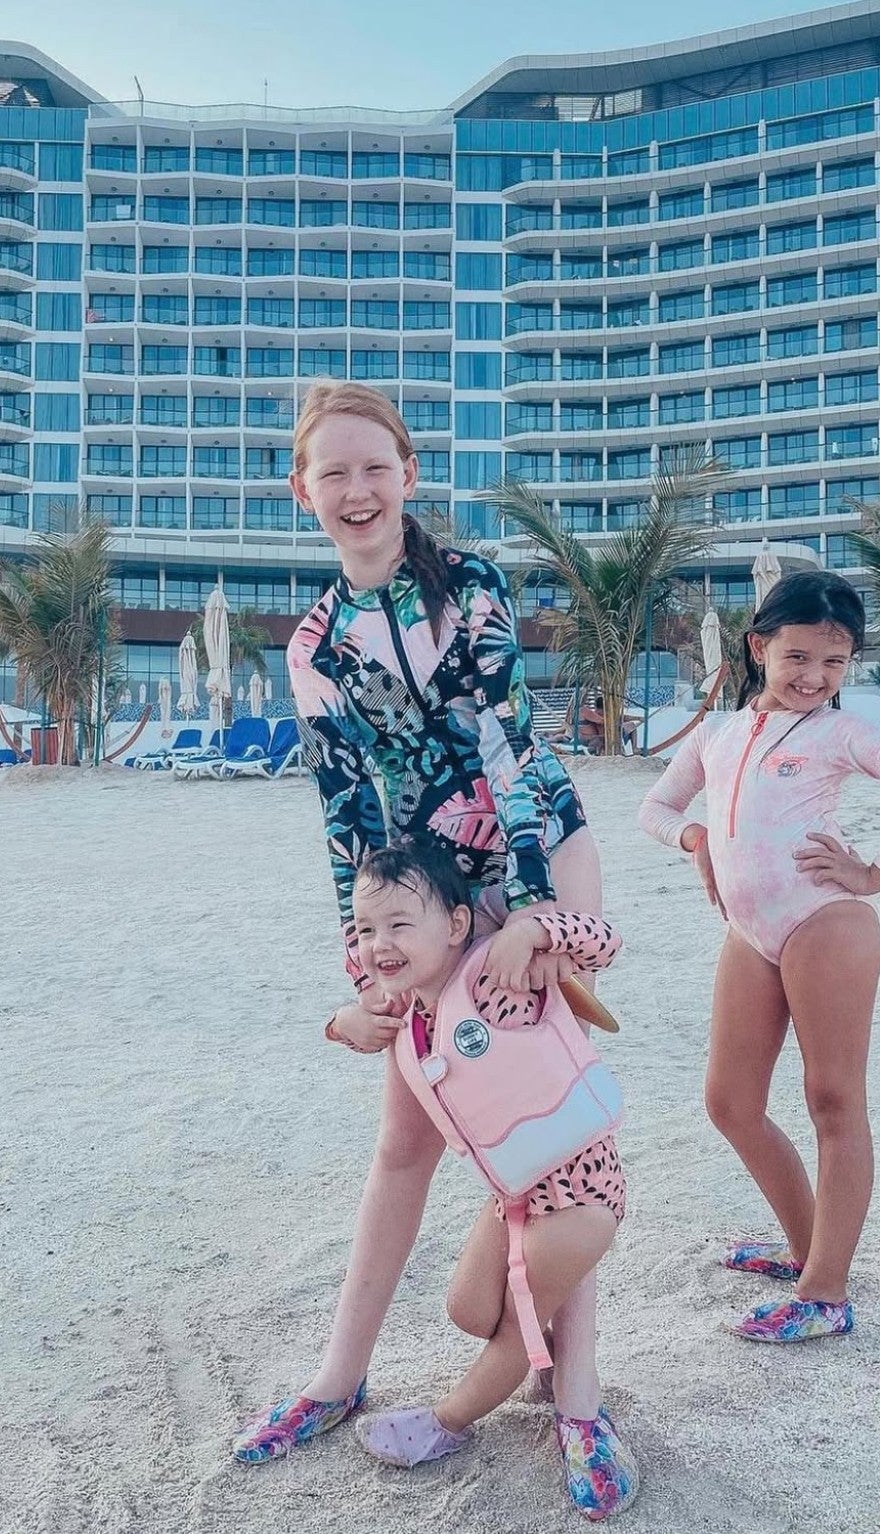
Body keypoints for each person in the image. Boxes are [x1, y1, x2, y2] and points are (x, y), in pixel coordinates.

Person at [233, 382, 616, 1480]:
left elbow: (509, 749)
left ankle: (578, 1399)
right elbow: (346, 815)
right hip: (425, 891)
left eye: (375, 467)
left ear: (407, 473)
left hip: (533, 854)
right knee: (407, 1137)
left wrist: (532, 912)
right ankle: (336, 1377)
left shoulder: (471, 588)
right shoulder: (314, 648)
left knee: (548, 1124)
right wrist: (369, 962)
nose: (357, 490)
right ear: (302, 491)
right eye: (334, 473)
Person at [638, 571, 880, 1342]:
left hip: (826, 924)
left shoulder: (839, 732)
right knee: (730, 1102)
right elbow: (655, 807)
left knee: (833, 1100)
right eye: (798, 657)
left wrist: (877, 872)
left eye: (834, 661)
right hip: (750, 933)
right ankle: (803, 1248)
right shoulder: (718, 732)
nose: (815, 677)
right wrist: (694, 838)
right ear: (759, 648)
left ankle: (826, 1293)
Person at [339, 841, 635, 1519]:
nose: (380, 943)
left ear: (456, 925)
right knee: (469, 1310)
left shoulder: (494, 981)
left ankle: (445, 1422)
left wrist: (535, 931)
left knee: (517, 1331)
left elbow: (605, 942)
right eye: (366, 928)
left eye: (400, 924)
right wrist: (340, 1021)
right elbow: (353, 1026)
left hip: (580, 1194)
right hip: (516, 1194)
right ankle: (548, 1362)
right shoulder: (412, 1011)